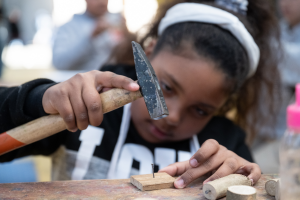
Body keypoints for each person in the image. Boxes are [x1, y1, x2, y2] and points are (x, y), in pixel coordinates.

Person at [0, 0, 279, 188]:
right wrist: (38, 100)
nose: (172, 117)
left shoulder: (225, 144)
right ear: (149, 52)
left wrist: (239, 180)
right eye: (167, 88)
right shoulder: (82, 112)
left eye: (201, 110)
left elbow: (244, 183)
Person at [52, 0, 125, 71]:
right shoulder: (68, 28)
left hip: (116, 80)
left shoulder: (117, 21)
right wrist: (90, 39)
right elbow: (59, 63)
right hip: (83, 81)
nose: (102, 2)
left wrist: (127, 40)